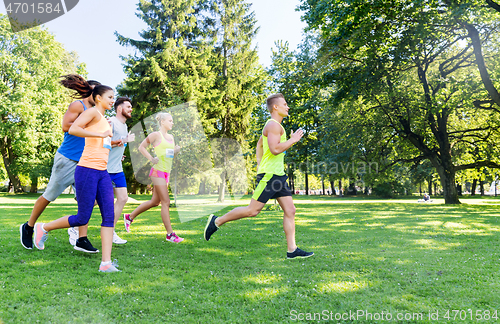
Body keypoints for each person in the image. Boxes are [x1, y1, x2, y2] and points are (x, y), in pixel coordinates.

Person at [204, 93, 314, 259]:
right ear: (275, 107)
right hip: (270, 176)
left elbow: (260, 144)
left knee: (290, 210)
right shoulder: (273, 125)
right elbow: (275, 149)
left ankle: (292, 249)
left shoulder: (275, 126)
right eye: (284, 104)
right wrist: (293, 140)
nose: (287, 106)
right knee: (252, 211)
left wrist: (259, 163)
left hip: (278, 176)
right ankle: (217, 221)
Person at [33, 84, 120, 272]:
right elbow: (72, 129)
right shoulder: (93, 113)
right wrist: (101, 134)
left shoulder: (103, 118)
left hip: (102, 171)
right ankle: (44, 227)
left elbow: (99, 143)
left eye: (114, 97)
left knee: (109, 215)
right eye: (110, 97)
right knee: (82, 217)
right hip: (87, 170)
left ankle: (106, 263)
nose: (113, 100)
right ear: (98, 98)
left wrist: (111, 145)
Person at [20, 75, 100, 253]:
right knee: (49, 196)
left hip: (85, 161)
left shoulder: (97, 111)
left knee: (91, 200)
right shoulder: (79, 105)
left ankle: (80, 236)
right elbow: (66, 126)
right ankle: (29, 226)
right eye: (98, 92)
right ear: (90, 91)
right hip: (68, 159)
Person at [123, 113, 183, 243]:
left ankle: (129, 216)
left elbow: (168, 156)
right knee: (166, 202)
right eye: (170, 120)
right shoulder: (156, 135)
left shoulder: (171, 137)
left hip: (166, 173)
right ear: (162, 122)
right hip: (157, 172)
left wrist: (175, 151)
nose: (172, 123)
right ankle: (170, 234)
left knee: (155, 202)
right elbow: (141, 147)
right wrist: (151, 158)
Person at [107, 97, 135, 244]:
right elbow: (101, 143)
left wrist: (119, 154)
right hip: (104, 168)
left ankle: (110, 231)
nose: (131, 109)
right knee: (94, 202)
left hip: (117, 168)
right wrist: (123, 142)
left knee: (123, 198)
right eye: (128, 107)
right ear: (119, 108)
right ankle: (75, 226)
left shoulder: (124, 126)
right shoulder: (111, 122)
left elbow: (114, 147)